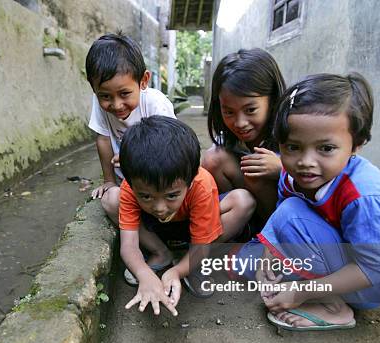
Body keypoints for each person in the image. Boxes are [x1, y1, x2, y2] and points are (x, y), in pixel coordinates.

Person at [246, 73, 380, 331]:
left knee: (290, 218)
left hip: (377, 283)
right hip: (342, 253)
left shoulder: (364, 197)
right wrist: (267, 258)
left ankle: (335, 307)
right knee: (266, 245)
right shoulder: (297, 175)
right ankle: (319, 287)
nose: (306, 161)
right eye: (292, 147)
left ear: (356, 144)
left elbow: (375, 268)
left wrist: (302, 292)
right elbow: (283, 216)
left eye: (325, 148)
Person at [119, 116, 255, 316]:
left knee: (243, 202)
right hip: (154, 229)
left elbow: (201, 245)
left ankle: (187, 263)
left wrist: (177, 272)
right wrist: (145, 275)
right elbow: (128, 245)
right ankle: (161, 252)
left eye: (171, 195)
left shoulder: (202, 185)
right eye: (146, 196)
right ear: (131, 183)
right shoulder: (130, 187)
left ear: (190, 181)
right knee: (111, 200)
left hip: (194, 232)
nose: (159, 207)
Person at [85, 32, 176, 226]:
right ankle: (156, 248)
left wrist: (134, 157)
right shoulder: (99, 104)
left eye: (124, 93)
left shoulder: (155, 103)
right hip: (130, 188)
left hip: (160, 186)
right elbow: (103, 138)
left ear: (143, 81)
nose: (116, 105)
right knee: (110, 199)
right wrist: (109, 180)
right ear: (94, 89)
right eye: (105, 96)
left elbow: (170, 149)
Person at [202, 49, 286, 224]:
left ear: (272, 100)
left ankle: (273, 234)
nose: (240, 123)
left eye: (250, 110)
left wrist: (282, 168)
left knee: (255, 172)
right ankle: (241, 225)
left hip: (284, 211)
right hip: (247, 205)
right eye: (229, 112)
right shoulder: (229, 140)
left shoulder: (292, 129)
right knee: (213, 159)